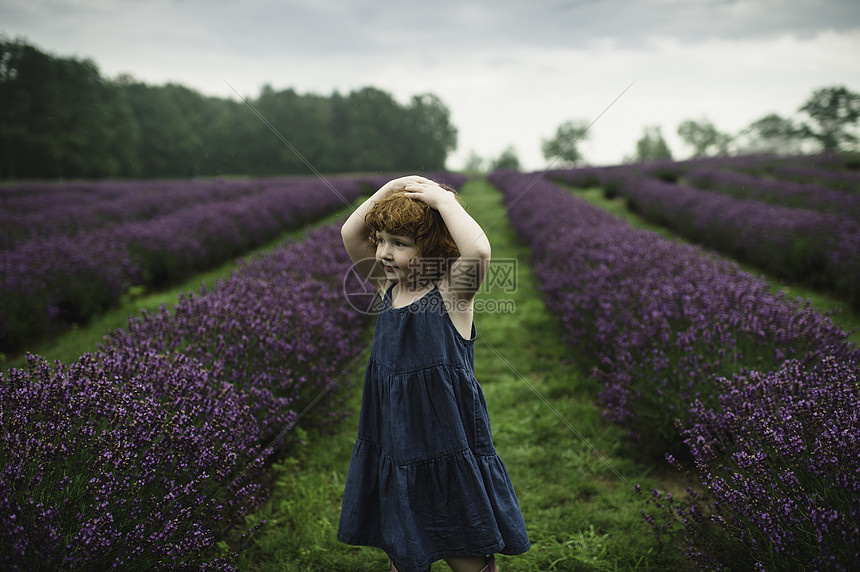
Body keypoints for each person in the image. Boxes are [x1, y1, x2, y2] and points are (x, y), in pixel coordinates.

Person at [337, 175, 530, 572]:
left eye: (400, 243)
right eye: (382, 240)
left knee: (466, 547)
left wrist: (443, 201)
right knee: (403, 542)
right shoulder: (386, 287)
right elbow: (349, 232)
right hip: (397, 440)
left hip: (446, 440)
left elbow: (477, 249)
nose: (385, 253)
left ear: (433, 249)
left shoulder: (452, 293)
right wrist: (390, 188)